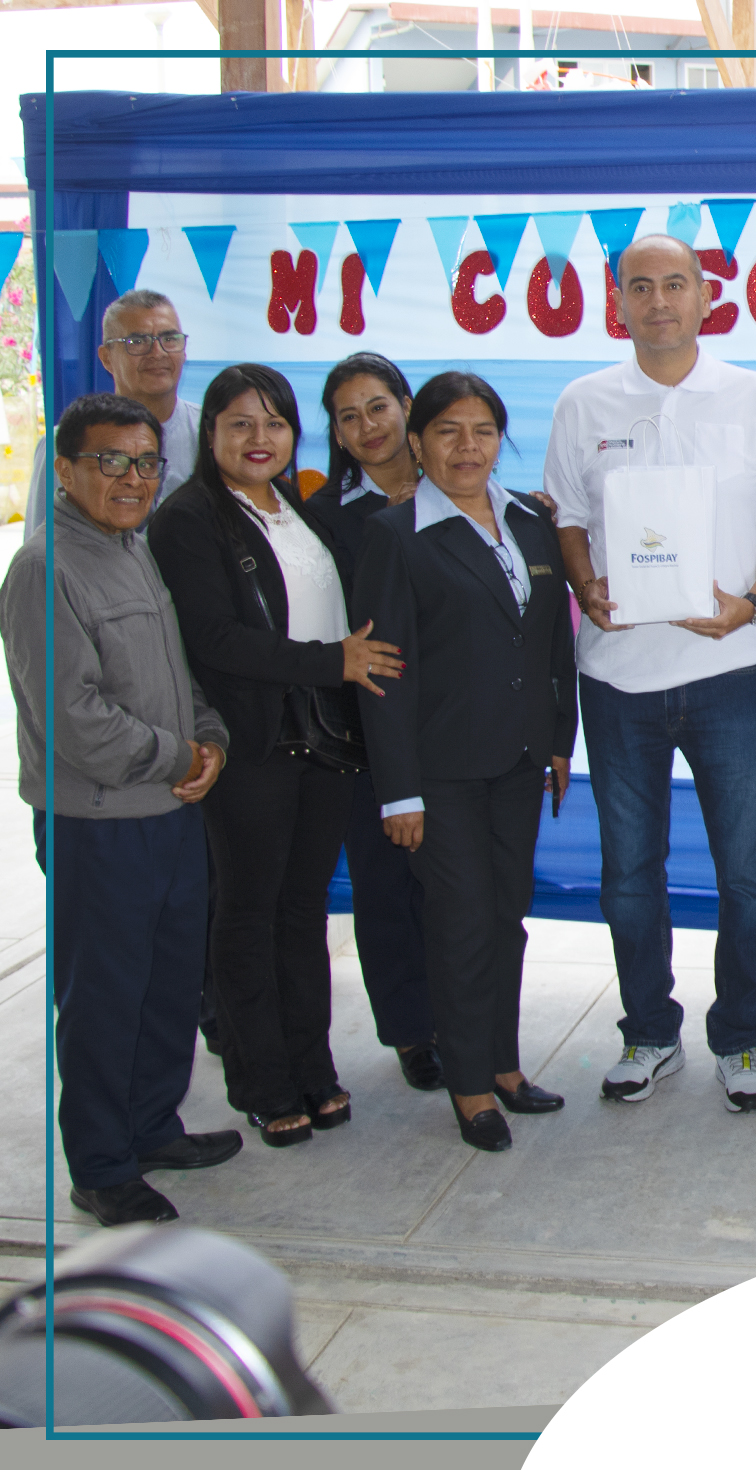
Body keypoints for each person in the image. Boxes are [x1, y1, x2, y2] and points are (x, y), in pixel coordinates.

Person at [546, 234, 756, 1113]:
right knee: (630, 875)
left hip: (731, 671)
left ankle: (738, 1035)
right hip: (617, 678)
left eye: (676, 284)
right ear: (618, 302)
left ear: (707, 297)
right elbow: (568, 518)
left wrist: (752, 603)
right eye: (641, 287)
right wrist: (585, 585)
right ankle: (649, 1031)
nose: (659, 301)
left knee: (749, 873)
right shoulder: (582, 402)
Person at [148, 364, 402, 1148]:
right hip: (254, 743)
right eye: (240, 423)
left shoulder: (295, 505)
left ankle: (312, 1069)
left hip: (324, 742)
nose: (259, 438)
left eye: (275, 423)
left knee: (302, 911)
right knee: (248, 913)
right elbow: (215, 641)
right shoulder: (188, 518)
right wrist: (334, 662)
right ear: (210, 434)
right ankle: (262, 1082)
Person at [2, 393, 239, 1225]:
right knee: (105, 997)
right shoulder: (44, 569)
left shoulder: (133, 546)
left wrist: (210, 738)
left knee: (168, 985)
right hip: (98, 825)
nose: (132, 479)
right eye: (110, 463)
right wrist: (181, 756)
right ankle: (102, 1166)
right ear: (65, 471)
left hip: (170, 811)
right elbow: (74, 718)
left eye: (145, 463)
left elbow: (176, 673)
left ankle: (151, 1129)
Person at [354, 372, 577, 1152]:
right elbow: (382, 673)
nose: (467, 447)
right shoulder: (394, 534)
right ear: (417, 442)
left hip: (520, 759)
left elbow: (552, 640)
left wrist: (559, 739)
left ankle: (505, 1066)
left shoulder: (530, 521)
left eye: (482, 431)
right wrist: (398, 793)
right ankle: (470, 1084)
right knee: (461, 923)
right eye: (448, 431)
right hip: (438, 770)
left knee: (506, 917)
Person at [302, 352, 443, 1092]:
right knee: (386, 887)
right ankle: (413, 1032)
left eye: (378, 407)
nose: (367, 427)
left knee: (458, 888)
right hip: (369, 731)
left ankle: (467, 1016)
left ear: (406, 407)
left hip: (457, 723)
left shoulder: (459, 485)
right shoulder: (322, 516)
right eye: (348, 417)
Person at [27, 290, 198, 543]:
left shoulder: (213, 432)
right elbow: (42, 549)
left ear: (184, 351)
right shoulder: (64, 444)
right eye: (137, 341)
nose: (157, 352)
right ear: (106, 358)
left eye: (169, 339)